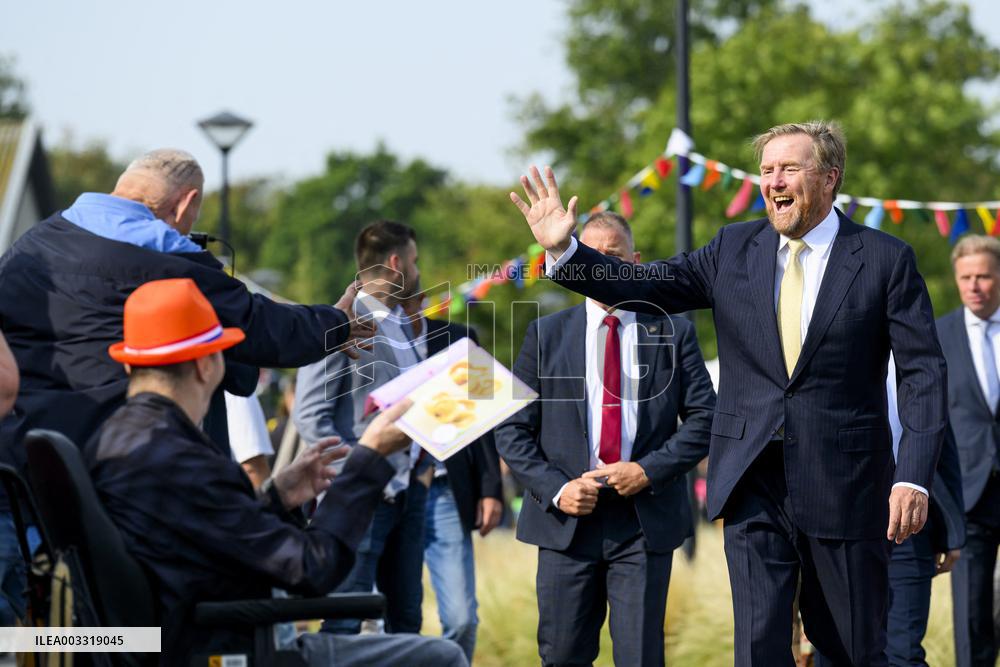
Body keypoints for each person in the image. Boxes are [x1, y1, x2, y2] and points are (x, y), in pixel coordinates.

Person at [510, 121, 947, 666]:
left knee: (853, 649)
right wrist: (567, 251)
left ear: (830, 177)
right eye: (766, 170)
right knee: (759, 649)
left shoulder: (885, 258)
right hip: (752, 485)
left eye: (789, 168)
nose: (773, 181)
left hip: (847, 486)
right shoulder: (732, 248)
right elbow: (645, 286)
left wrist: (912, 476)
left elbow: (923, 374)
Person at [0, 149, 373, 621]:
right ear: (186, 202)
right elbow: (263, 329)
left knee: (34, 640)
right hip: (122, 476)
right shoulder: (164, 259)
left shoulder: (30, 248)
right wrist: (336, 323)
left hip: (24, 477)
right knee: (122, 631)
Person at [85, 277, 466, 666]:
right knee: (443, 657)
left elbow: (212, 540)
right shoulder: (184, 459)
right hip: (230, 648)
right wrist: (369, 458)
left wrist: (276, 498)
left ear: (130, 363)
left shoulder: (113, 440)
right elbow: (312, 568)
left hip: (179, 642)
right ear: (206, 365)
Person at [495, 212, 716, 666]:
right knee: (562, 655)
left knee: (640, 657)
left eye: (610, 257)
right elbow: (512, 429)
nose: (599, 268)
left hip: (643, 521)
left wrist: (647, 470)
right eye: (589, 256)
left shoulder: (673, 332)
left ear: (634, 263)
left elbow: (706, 419)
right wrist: (557, 488)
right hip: (566, 523)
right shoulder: (546, 333)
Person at [294, 220, 428, 636]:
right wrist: (358, 472)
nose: (419, 272)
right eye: (415, 262)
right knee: (344, 619)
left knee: (406, 622)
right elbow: (310, 412)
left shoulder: (404, 325)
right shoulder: (342, 319)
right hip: (361, 499)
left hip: (408, 494)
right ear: (395, 263)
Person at [399, 291, 504, 663]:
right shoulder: (367, 344)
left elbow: (486, 417)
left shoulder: (459, 339)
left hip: (445, 492)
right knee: (395, 620)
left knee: (461, 618)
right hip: (390, 496)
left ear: (420, 300)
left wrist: (491, 488)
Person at [936, 234, 1000, 667]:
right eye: (966, 278)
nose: (974, 285)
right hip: (968, 496)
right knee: (971, 613)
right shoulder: (937, 334)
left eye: (984, 276)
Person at [883, 355, 965, 667]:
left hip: (910, 528)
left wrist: (952, 532)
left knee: (903, 653)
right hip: (840, 523)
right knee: (840, 649)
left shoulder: (919, 357)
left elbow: (945, 443)